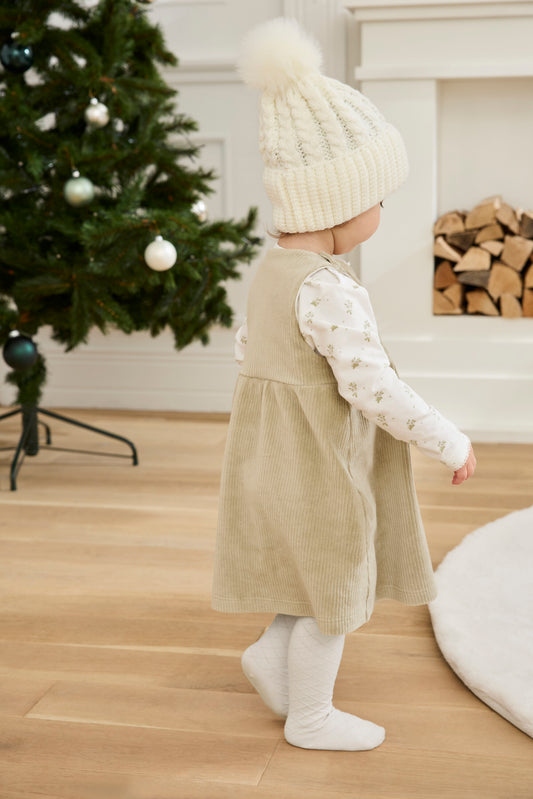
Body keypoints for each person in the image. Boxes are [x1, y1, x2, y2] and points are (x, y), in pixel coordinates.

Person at [211, 17, 476, 752]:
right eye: (379, 199)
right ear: (339, 204)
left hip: (272, 455)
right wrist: (446, 438)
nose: (384, 212)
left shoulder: (273, 271)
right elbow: (373, 387)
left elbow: (249, 351)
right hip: (319, 464)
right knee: (334, 589)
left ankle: (271, 658)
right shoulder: (329, 288)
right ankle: (311, 716)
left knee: (306, 571)